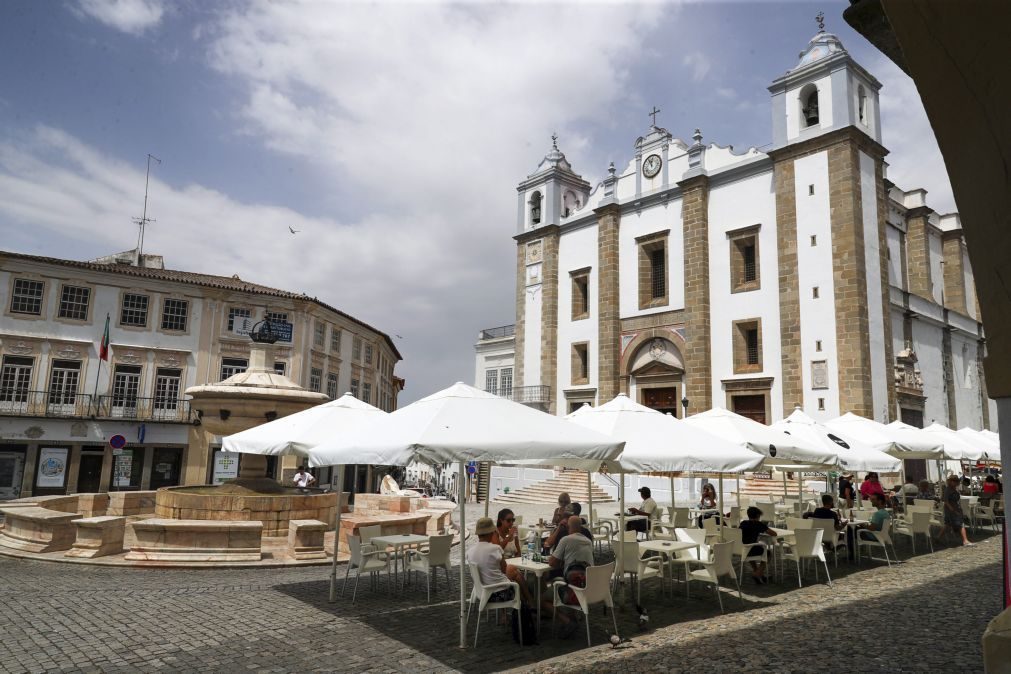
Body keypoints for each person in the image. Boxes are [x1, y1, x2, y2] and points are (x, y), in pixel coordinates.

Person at [545, 515, 595, 637]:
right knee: (569, 581)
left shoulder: (566, 540)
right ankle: (572, 616)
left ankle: (567, 621)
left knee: (542, 598)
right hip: (590, 589)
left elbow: (552, 562)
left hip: (574, 592)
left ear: (568, 527)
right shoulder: (588, 541)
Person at [466, 517, 533, 605]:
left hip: (482, 592)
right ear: (491, 533)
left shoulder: (470, 551)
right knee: (516, 585)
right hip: (498, 593)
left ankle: (525, 607)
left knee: (513, 577)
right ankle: (526, 608)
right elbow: (504, 570)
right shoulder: (496, 549)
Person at [739, 506, 775, 584]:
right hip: (750, 549)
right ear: (758, 516)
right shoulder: (758, 524)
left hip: (742, 549)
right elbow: (773, 533)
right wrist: (763, 527)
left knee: (754, 548)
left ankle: (759, 574)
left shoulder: (743, 523)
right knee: (768, 553)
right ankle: (757, 573)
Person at [940, 475, 972, 546]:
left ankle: (938, 537)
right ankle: (965, 540)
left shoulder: (954, 489)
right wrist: (952, 509)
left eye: (956, 481)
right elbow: (945, 500)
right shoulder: (948, 489)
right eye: (954, 481)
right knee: (961, 524)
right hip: (951, 510)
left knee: (948, 524)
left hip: (956, 508)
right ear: (950, 481)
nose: (956, 482)